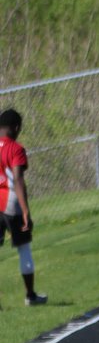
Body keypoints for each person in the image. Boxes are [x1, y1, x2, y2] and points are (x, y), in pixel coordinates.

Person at [0, 109, 46, 309]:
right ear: (16, 127)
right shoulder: (15, 148)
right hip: (12, 204)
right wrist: (26, 210)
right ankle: (30, 296)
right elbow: (18, 179)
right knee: (24, 248)